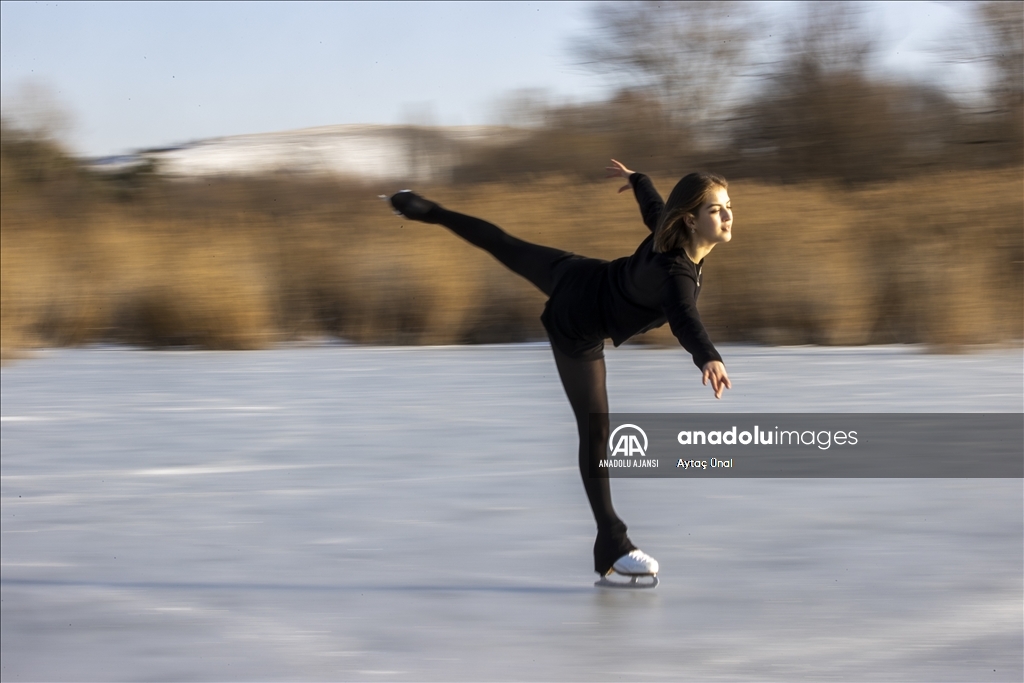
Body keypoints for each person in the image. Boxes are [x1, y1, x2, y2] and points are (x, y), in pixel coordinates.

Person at [388, 160, 732, 587]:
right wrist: (708, 356)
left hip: (579, 273)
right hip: (578, 320)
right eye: (717, 209)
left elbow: (653, 208)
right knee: (597, 432)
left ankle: (418, 207)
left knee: (503, 243)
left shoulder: (671, 233)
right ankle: (612, 544)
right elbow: (684, 318)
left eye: (727, 206)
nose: (728, 215)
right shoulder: (676, 274)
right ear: (691, 220)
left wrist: (636, 180)